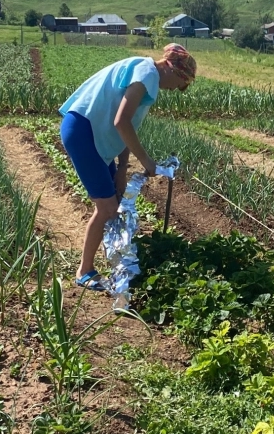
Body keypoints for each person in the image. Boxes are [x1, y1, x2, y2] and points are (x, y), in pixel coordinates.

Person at [59, 43, 197, 291]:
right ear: (172, 68)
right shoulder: (147, 76)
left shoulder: (145, 72)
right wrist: (147, 162)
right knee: (107, 207)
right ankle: (84, 271)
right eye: (180, 83)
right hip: (84, 132)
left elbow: (126, 125)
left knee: (115, 201)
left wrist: (122, 167)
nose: (176, 89)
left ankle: (115, 261)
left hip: (92, 134)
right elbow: (121, 122)